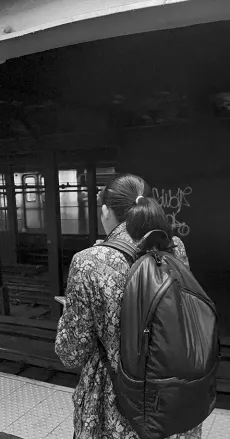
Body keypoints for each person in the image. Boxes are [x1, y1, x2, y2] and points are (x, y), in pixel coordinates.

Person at [55, 174, 202, 439]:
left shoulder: (88, 262)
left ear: (105, 211)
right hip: (174, 401)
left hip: (117, 406)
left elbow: (70, 353)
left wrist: (73, 309)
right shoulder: (175, 246)